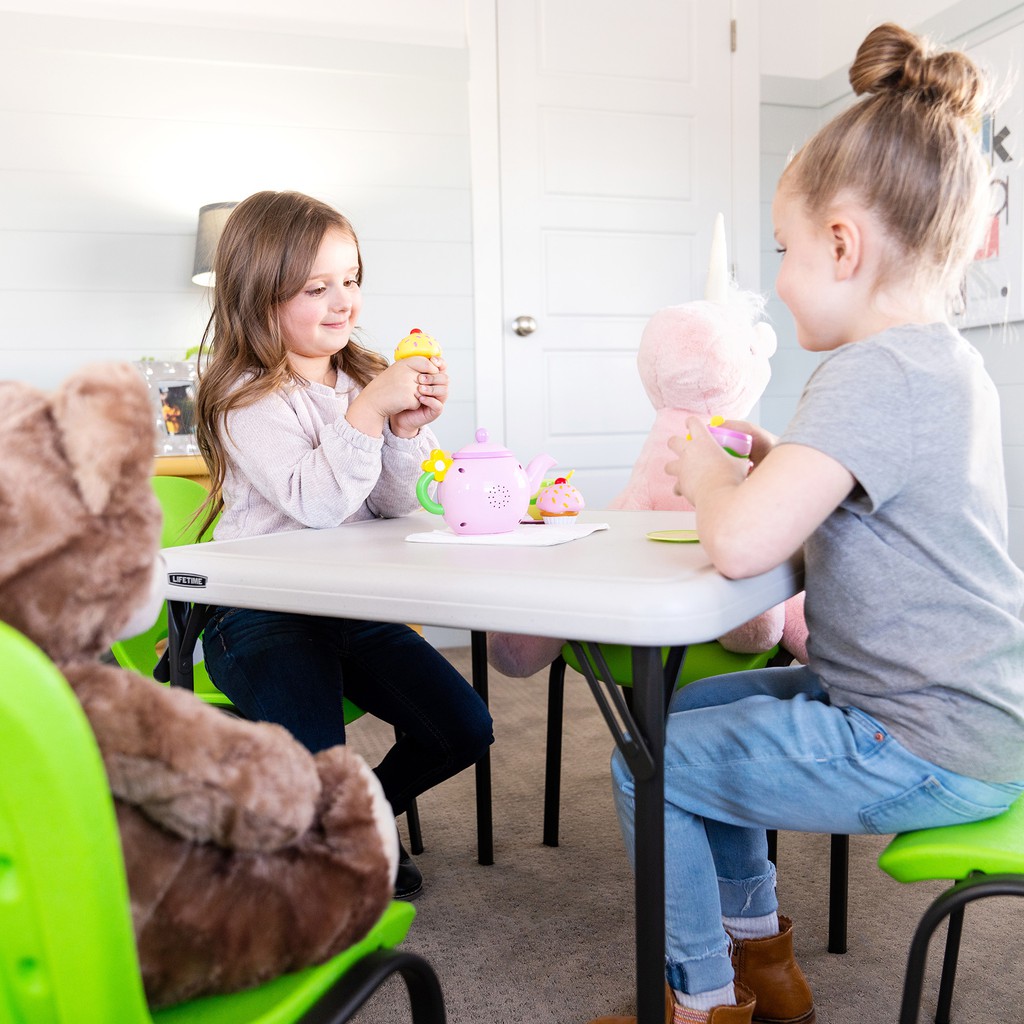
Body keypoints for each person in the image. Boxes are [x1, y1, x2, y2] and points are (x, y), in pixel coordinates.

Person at [589, 23, 1024, 1024]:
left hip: (915, 740)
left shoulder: (869, 372)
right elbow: (852, 492)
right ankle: (763, 965)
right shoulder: (937, 361)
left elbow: (740, 542)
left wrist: (703, 471)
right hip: (968, 714)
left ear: (841, 243)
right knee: (682, 721)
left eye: (784, 249)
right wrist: (770, 461)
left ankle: (697, 1002)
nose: (777, 280)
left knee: (640, 763)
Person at [192, 190, 493, 900]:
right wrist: (366, 411)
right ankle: (335, 835)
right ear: (259, 298)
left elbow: (395, 507)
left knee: (464, 727)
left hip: (348, 603)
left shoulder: (363, 372)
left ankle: (355, 826)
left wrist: (406, 429)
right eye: (316, 288)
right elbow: (318, 503)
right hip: (255, 612)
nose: (343, 302)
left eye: (352, 280)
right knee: (321, 759)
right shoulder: (242, 393)